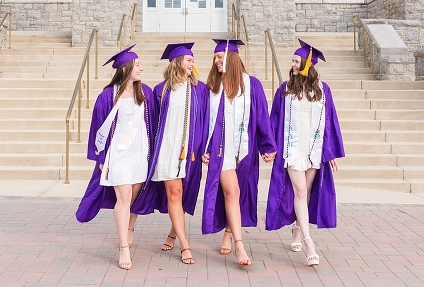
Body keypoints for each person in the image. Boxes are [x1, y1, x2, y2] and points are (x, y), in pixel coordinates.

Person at [75, 45, 158, 271]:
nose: (141, 67)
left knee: (134, 196)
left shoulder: (147, 93)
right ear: (125, 69)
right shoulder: (107, 96)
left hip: (141, 152)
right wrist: (99, 156)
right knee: (123, 197)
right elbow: (97, 127)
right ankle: (124, 247)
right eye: (137, 64)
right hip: (118, 154)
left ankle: (129, 229)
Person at [265, 39, 345, 266]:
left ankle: (297, 230)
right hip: (292, 149)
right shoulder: (285, 89)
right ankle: (310, 244)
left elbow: (330, 122)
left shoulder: (323, 90)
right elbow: (274, 119)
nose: (292, 64)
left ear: (307, 64)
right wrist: (270, 147)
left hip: (314, 149)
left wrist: (331, 153)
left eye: (295, 60)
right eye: (292, 60)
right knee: (299, 191)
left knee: (307, 190)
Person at [201, 39, 276, 268]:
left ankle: (227, 234)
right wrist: (204, 148)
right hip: (221, 150)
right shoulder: (213, 88)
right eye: (214, 58)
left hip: (245, 148)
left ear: (231, 59)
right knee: (231, 192)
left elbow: (262, 116)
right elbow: (205, 121)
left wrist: (268, 146)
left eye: (219, 57)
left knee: (237, 193)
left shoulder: (252, 85)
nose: (216, 62)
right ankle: (240, 246)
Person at [149, 43, 209, 265]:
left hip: (190, 151)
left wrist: (205, 148)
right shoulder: (161, 90)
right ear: (177, 62)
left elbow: (206, 121)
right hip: (167, 149)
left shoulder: (200, 89)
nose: (192, 62)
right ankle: (185, 246)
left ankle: (173, 233)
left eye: (193, 59)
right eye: (189, 59)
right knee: (174, 193)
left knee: (183, 195)